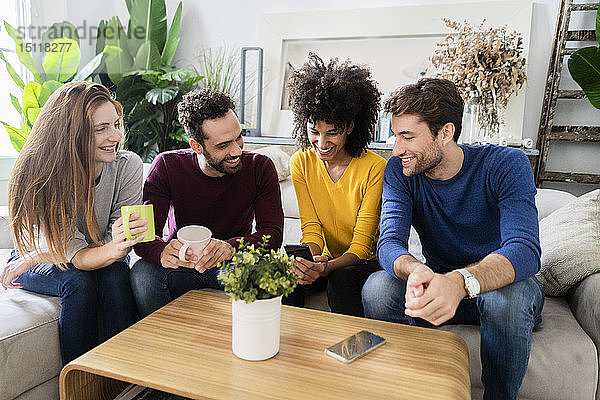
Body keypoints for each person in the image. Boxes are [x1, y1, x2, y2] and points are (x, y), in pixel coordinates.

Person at [361, 78, 544, 399]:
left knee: (508, 299)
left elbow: (525, 250)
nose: (396, 149)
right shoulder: (399, 171)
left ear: (445, 133)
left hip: (502, 288)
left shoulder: (506, 165)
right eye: (394, 136)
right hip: (441, 284)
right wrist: (414, 270)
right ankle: (411, 390)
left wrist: (459, 282)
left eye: (407, 136)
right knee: (377, 288)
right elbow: (389, 243)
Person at [0, 81, 145, 365]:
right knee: (79, 282)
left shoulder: (127, 165)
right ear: (72, 133)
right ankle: (79, 384)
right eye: (101, 129)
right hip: (40, 253)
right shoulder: (43, 177)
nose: (115, 136)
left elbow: (114, 244)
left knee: (116, 277)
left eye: (115, 124)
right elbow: (78, 258)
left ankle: (125, 379)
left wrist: (115, 247)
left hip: (83, 251)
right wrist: (34, 257)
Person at [130, 88, 284, 317]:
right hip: (182, 266)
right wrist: (163, 251)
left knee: (266, 274)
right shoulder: (167, 166)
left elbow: (272, 233)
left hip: (232, 263)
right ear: (196, 146)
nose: (236, 150)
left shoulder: (260, 167)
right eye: (223, 146)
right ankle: (163, 346)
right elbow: (143, 237)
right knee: (142, 274)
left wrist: (230, 247)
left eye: (238, 137)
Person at [284, 53, 386, 317]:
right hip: (326, 259)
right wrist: (310, 261)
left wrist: (327, 268)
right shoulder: (301, 163)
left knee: (341, 280)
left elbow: (362, 246)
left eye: (332, 132)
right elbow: (311, 227)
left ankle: (349, 351)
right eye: (314, 131)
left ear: (350, 126)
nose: (321, 143)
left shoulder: (374, 167)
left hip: (368, 262)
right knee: (287, 273)